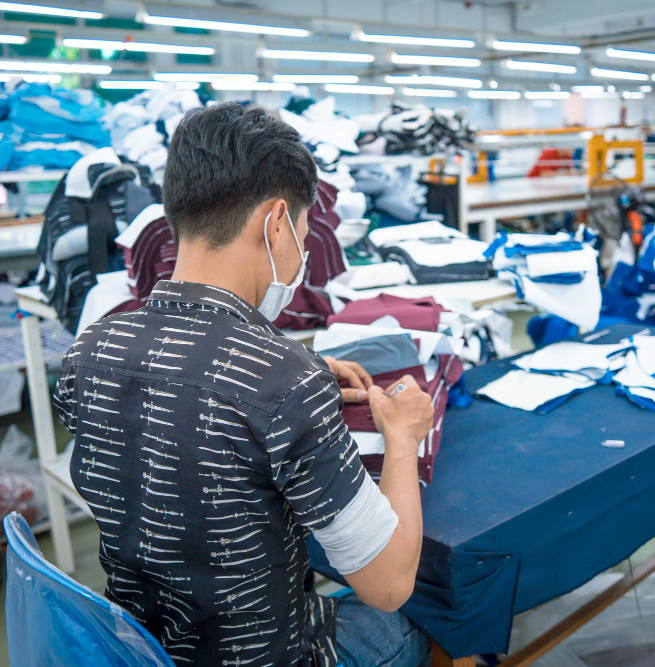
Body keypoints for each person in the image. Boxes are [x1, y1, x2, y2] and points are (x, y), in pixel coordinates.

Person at [53, 103, 435, 666]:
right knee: (416, 623)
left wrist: (286, 380)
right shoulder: (285, 380)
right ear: (277, 223)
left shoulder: (89, 351)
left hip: (144, 648)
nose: (303, 250)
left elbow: (174, 415)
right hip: (266, 657)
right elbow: (389, 583)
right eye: (303, 232)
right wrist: (403, 436)